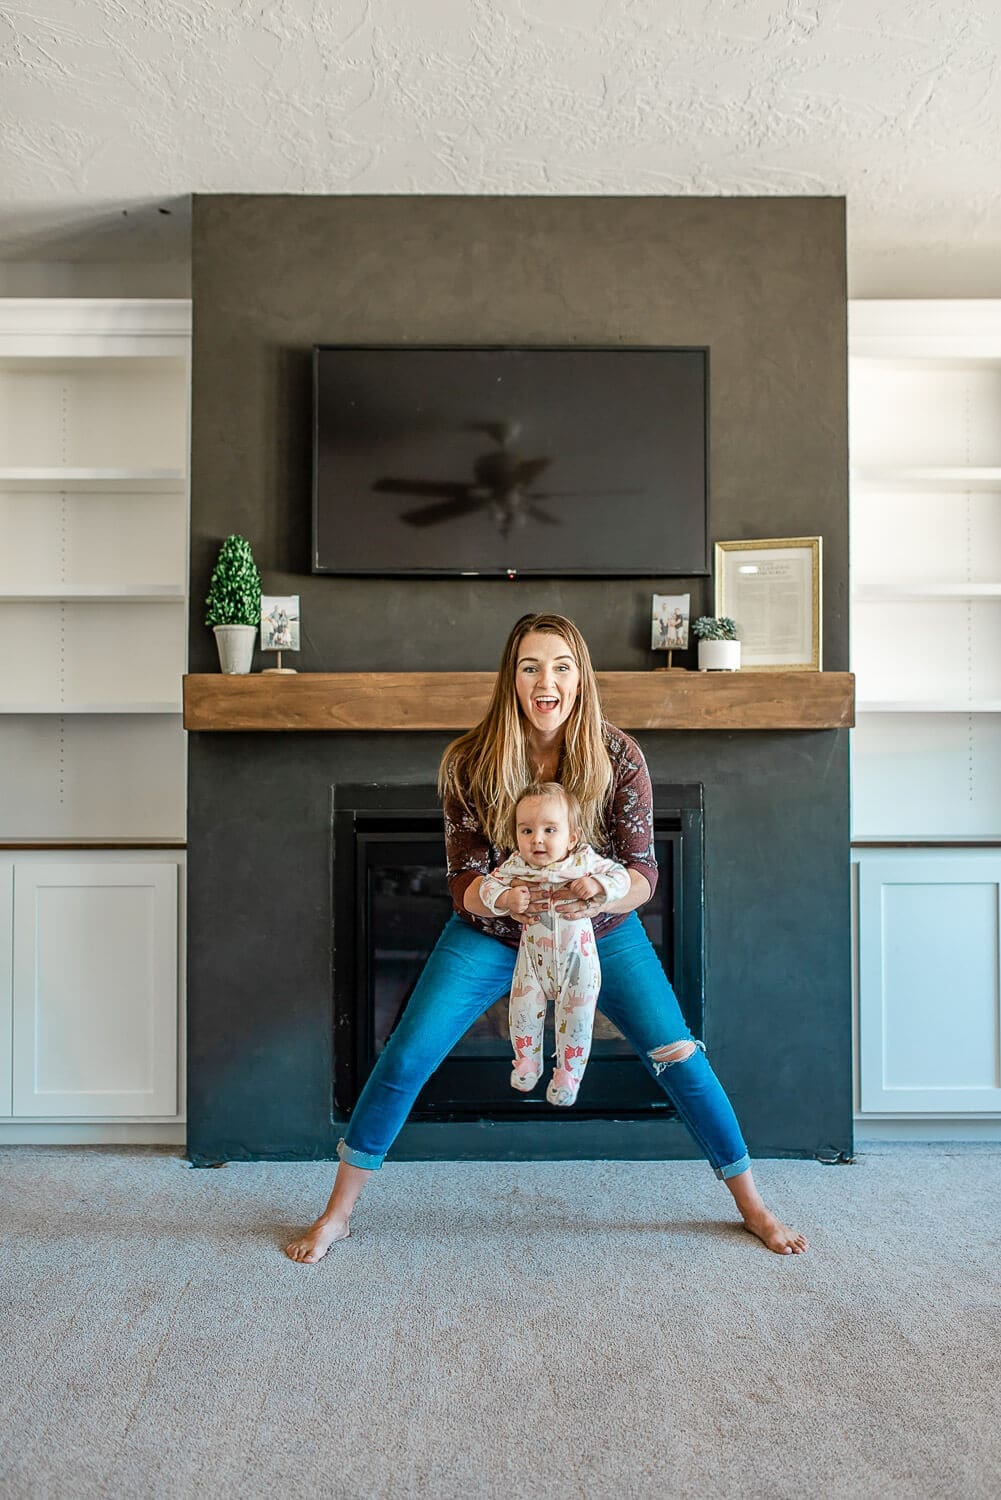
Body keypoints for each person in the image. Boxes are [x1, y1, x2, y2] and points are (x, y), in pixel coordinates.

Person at [286, 612, 809, 1262]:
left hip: (601, 932)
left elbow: (644, 871)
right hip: (491, 932)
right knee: (405, 1056)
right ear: (511, 678)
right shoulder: (469, 761)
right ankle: (338, 1214)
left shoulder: (617, 755)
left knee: (680, 1057)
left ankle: (752, 1205)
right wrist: (501, 897)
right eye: (531, 666)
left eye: (560, 666)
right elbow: (461, 877)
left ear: (579, 677)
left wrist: (605, 893)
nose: (546, 681)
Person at [479, 780, 631, 1106]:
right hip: (532, 964)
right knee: (522, 1011)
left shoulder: (584, 862)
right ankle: (527, 1061)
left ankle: (568, 1074)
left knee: (576, 1019)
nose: (537, 839)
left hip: (578, 964)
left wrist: (597, 885)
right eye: (526, 831)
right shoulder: (515, 866)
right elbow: (486, 888)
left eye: (550, 830)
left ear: (572, 837)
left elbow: (622, 877)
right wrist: (505, 897)